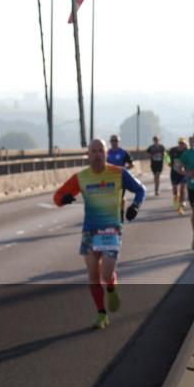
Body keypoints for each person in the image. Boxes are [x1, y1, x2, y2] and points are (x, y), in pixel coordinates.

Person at [53, 139, 146, 330]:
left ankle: (111, 287)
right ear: (88, 155)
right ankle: (101, 314)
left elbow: (140, 189)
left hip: (111, 229)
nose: (97, 154)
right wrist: (65, 198)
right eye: (93, 151)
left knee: (106, 273)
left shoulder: (118, 173)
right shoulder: (82, 177)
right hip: (89, 231)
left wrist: (135, 206)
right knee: (93, 275)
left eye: (100, 151)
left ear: (106, 154)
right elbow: (57, 197)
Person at [168, 137, 189, 214]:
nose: (182, 145)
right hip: (174, 173)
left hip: (183, 173)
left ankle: (182, 202)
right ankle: (176, 203)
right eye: (180, 143)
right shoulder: (172, 150)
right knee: (175, 190)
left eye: (183, 143)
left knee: (182, 188)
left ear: (185, 144)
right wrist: (168, 162)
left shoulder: (187, 151)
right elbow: (166, 156)